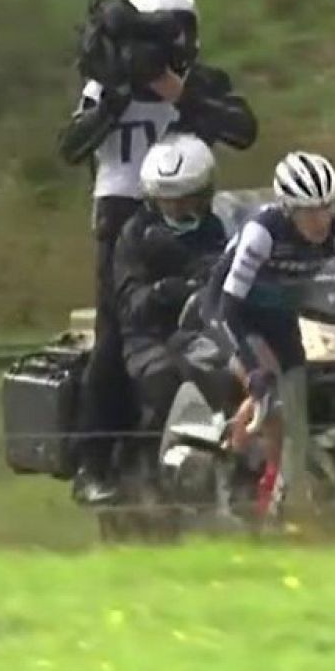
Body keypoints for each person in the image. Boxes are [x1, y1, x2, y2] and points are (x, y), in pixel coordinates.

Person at [58, 0, 257, 504]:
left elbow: (242, 128)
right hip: (123, 214)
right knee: (114, 335)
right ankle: (94, 462)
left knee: (225, 325)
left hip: (198, 212)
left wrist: (180, 93)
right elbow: (71, 147)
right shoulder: (103, 85)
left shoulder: (200, 82)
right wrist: (116, 99)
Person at [213, 151, 335, 513]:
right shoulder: (262, 233)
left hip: (280, 314)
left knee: (296, 408)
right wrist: (253, 369)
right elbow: (229, 309)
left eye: (326, 208)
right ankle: (232, 457)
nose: (319, 220)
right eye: (308, 211)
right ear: (287, 209)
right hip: (232, 310)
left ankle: (283, 491)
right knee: (267, 388)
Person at [111, 134, 232, 475]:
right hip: (150, 338)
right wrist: (164, 292)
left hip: (211, 332)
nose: (177, 209)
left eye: (186, 200)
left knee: (241, 374)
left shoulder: (218, 228)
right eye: (167, 202)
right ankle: (149, 474)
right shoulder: (135, 235)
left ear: (206, 194)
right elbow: (128, 302)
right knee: (167, 380)